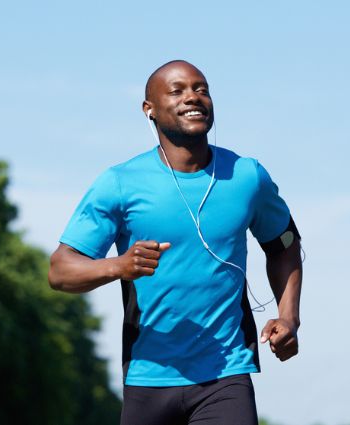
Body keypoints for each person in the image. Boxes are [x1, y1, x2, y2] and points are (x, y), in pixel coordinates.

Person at [48, 60, 303, 425]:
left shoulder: (248, 176)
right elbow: (60, 270)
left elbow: (285, 246)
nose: (193, 97)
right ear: (148, 109)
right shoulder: (120, 182)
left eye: (201, 89)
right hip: (148, 377)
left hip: (225, 375)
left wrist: (289, 316)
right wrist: (118, 266)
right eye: (177, 90)